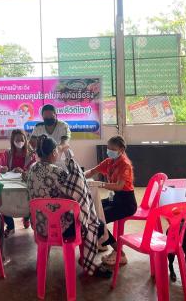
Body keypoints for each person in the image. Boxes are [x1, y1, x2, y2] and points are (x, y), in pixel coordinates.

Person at [25, 135, 111, 278]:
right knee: (92, 223)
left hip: (40, 226)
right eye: (57, 151)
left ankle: (85, 260)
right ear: (53, 152)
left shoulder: (32, 170)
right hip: (60, 228)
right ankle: (87, 261)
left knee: (84, 217)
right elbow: (77, 190)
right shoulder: (58, 172)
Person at [84, 135, 137, 266]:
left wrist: (99, 184)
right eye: (108, 148)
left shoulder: (125, 165)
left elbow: (119, 186)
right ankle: (102, 241)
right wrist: (79, 177)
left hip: (126, 202)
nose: (109, 151)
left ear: (121, 150)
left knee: (97, 221)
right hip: (115, 198)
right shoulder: (109, 162)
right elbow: (93, 171)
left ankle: (120, 254)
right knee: (94, 210)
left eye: (112, 149)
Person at [0, 129, 36, 236]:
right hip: (9, 182)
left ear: (25, 140)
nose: (19, 142)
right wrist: (2, 168)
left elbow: (34, 168)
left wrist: (24, 171)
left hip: (24, 182)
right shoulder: (7, 153)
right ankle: (10, 225)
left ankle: (26, 217)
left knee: (29, 197)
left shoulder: (30, 154)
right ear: (12, 141)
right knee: (2, 199)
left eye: (22, 139)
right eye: (17, 140)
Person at [31, 104, 73, 169]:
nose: (48, 119)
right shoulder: (38, 127)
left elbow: (65, 144)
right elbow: (32, 143)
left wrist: (56, 150)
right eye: (46, 118)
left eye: (51, 117)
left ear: (56, 115)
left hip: (62, 159)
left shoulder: (63, 125)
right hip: (44, 160)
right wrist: (31, 150)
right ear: (42, 117)